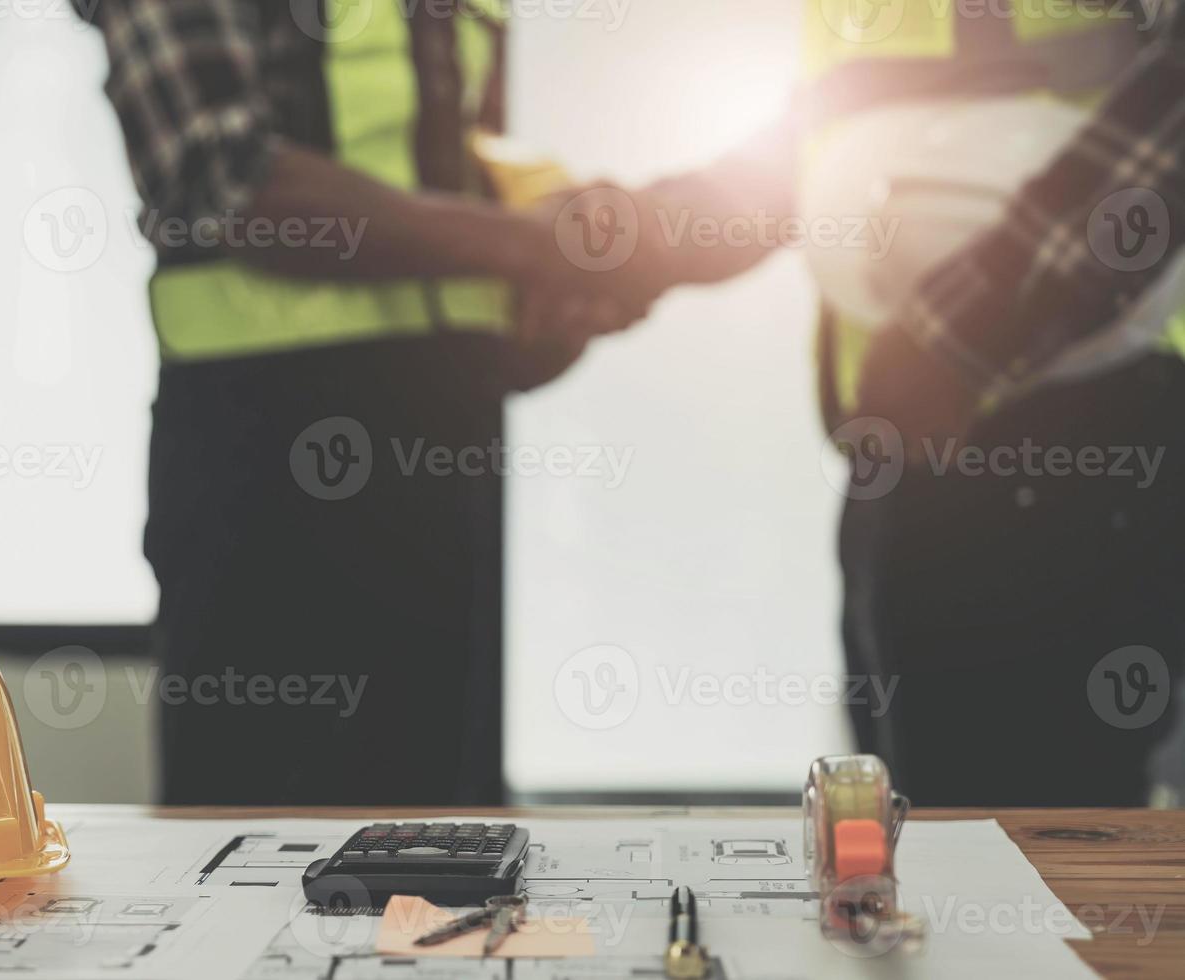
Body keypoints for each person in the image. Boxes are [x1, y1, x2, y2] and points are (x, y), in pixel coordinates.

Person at [593, 0, 1185, 805]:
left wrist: (963, 332)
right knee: (920, 820)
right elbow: (798, 166)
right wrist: (611, 240)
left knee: (1046, 844)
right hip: (907, 463)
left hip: (1084, 449)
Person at [78, 0, 659, 804]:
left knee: (446, 831)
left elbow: (459, 187)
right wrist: (536, 248)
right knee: (256, 840)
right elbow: (222, 175)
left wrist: (551, 302)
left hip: (449, 435)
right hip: (266, 453)